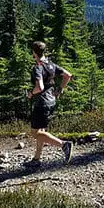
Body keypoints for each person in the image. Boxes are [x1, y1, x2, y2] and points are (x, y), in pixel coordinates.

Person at [26, 40, 73, 169]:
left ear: (34, 52)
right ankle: (36, 159)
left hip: (42, 102)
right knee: (42, 131)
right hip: (52, 100)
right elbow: (68, 75)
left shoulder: (38, 67)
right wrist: (60, 89)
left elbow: (39, 87)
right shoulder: (51, 65)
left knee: (35, 133)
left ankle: (64, 144)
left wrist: (31, 93)